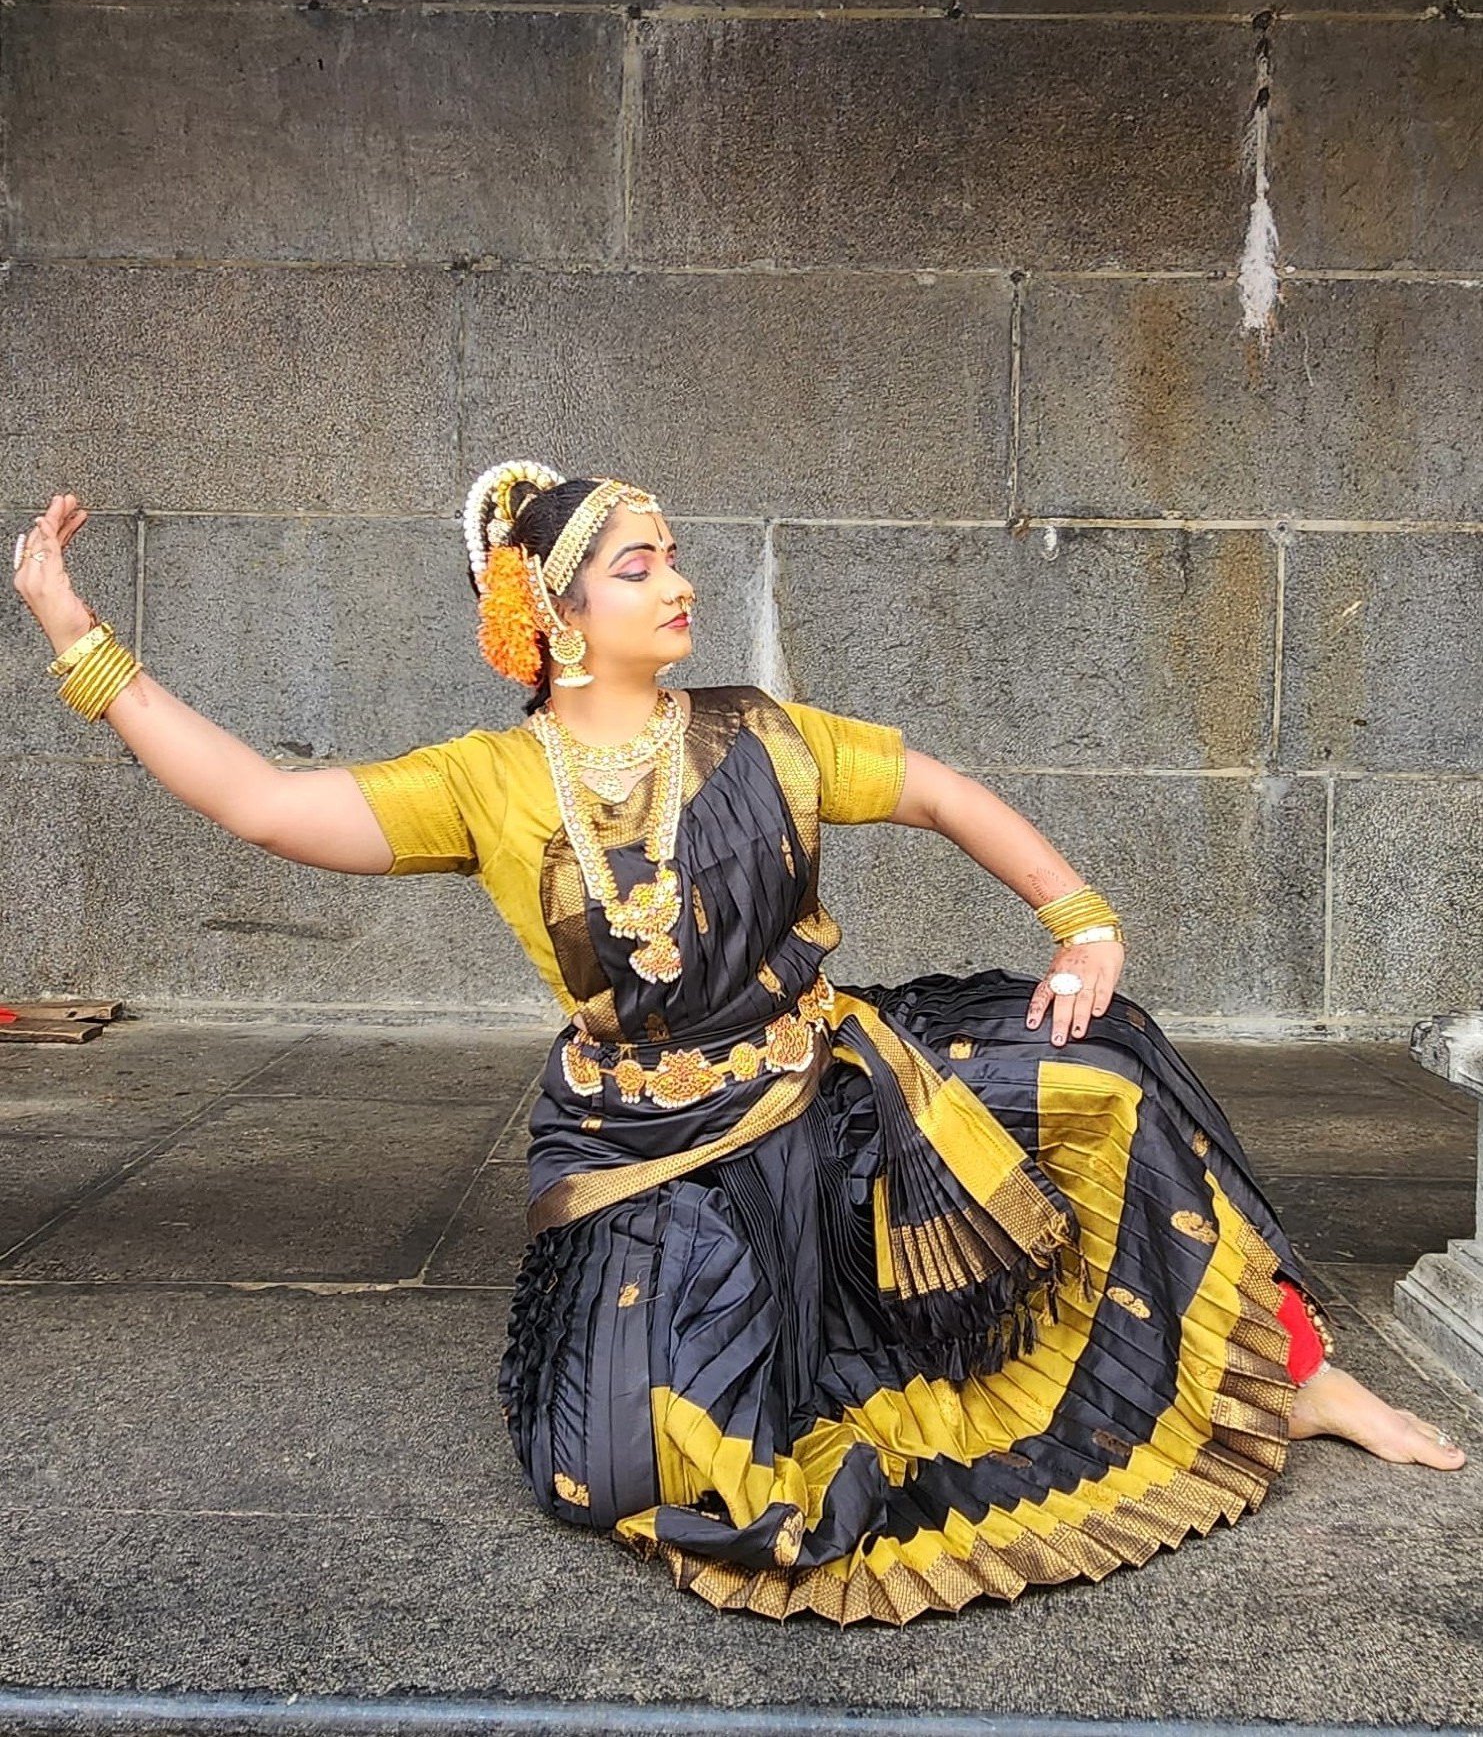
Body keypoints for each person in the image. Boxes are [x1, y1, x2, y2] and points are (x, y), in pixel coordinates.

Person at [13, 468, 1466, 1628]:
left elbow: (944, 791)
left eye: (670, 552)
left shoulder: (761, 732)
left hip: (821, 1089)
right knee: (677, 1467)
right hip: (652, 1161)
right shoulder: (489, 782)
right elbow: (266, 803)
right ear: (557, 615)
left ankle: (1293, 1370)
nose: (680, 578)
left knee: (1101, 1075)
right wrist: (83, 641)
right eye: (639, 563)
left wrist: (1082, 918)